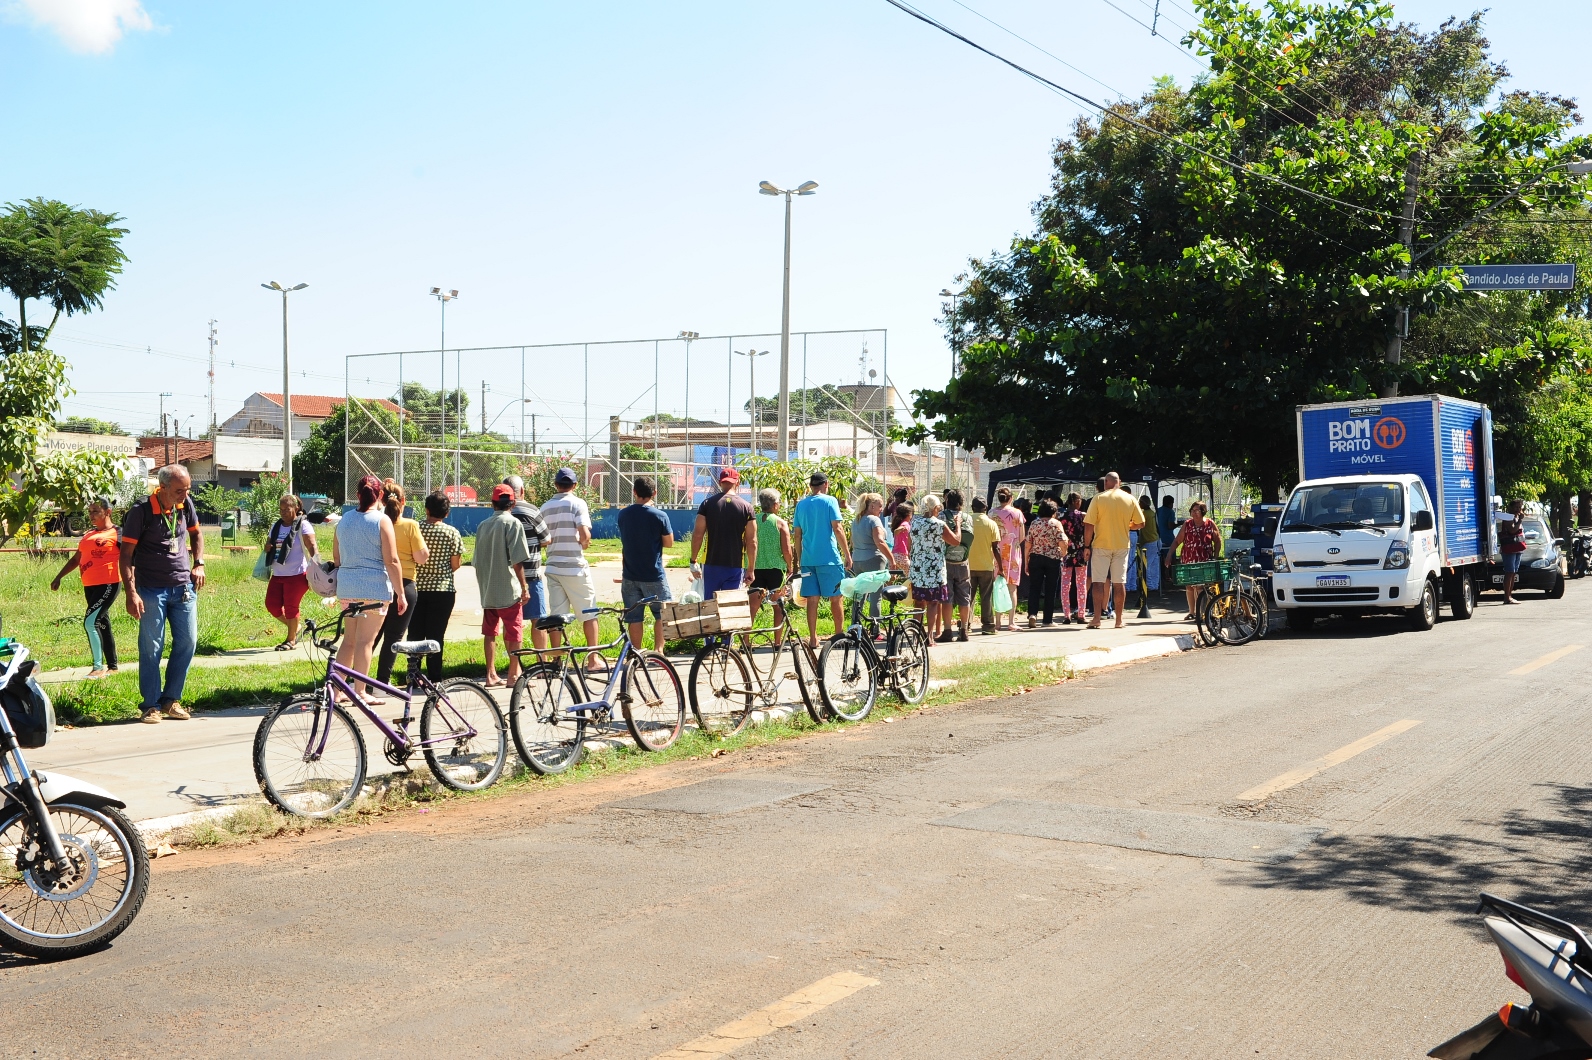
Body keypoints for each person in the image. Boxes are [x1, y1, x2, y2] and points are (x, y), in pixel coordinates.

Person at [120, 465, 205, 723]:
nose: (185, 494)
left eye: (188, 489)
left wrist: (198, 562)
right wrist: (130, 593)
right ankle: (150, 705)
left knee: (188, 641)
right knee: (151, 647)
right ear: (163, 487)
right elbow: (125, 555)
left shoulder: (184, 504)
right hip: (150, 589)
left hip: (182, 587)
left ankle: (171, 700)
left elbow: (196, 533)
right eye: (180, 490)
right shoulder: (141, 511)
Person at [333, 474, 405, 704]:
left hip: (347, 586)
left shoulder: (344, 520)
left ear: (357, 495)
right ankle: (361, 691)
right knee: (366, 642)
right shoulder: (382, 520)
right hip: (374, 588)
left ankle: (337, 690)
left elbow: (337, 558)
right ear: (380, 495)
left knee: (349, 641)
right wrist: (400, 592)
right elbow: (392, 560)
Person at [50, 498, 121, 678]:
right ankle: (112, 666)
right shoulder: (88, 534)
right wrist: (58, 576)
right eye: (89, 512)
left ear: (108, 512)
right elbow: (76, 559)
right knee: (103, 622)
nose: (91, 515)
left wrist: (134, 583)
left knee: (90, 622)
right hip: (89, 585)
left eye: (95, 511)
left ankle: (98, 668)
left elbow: (131, 557)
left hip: (109, 584)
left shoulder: (118, 533)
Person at [371, 480, 429, 694]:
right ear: (403, 502)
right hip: (405, 584)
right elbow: (421, 557)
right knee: (393, 637)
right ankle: (381, 683)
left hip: (379, 583)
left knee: (371, 635)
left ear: (382, 501)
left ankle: (354, 678)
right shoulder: (410, 526)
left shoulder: (376, 522)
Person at [540, 468, 601, 662]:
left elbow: (543, 539)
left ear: (556, 485)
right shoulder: (577, 503)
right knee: (589, 612)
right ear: (574, 485)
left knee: (556, 616)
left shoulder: (545, 507)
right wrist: (585, 541)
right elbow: (584, 534)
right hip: (574, 567)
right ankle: (592, 659)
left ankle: (556, 660)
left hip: (553, 566)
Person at [476, 484, 533, 686]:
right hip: (508, 589)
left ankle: (490, 674)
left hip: (488, 588)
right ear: (513, 503)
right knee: (515, 631)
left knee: (490, 632)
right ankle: (513, 675)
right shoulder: (513, 523)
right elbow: (517, 560)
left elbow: (477, 560)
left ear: (492, 503)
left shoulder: (483, 525)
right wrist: (524, 587)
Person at [407, 490, 463, 683]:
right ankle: (435, 677)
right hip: (443, 590)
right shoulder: (452, 533)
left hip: (417, 588)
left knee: (415, 633)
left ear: (427, 510)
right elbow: (456, 564)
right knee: (436, 635)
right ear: (447, 513)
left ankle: (413, 674)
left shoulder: (416, 528)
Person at [790, 471, 852, 648]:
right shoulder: (830, 500)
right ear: (826, 484)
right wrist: (847, 554)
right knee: (836, 597)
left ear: (810, 486)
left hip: (809, 560)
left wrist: (800, 560)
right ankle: (839, 636)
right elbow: (838, 528)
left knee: (812, 599)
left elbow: (797, 535)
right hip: (830, 559)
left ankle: (813, 638)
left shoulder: (801, 505)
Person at [617, 477, 675, 649]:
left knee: (634, 617)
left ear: (634, 492)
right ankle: (658, 651)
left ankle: (636, 653)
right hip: (653, 574)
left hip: (629, 574)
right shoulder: (660, 516)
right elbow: (669, 542)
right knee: (661, 613)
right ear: (654, 493)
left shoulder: (623, 514)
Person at [1081, 471, 1144, 630]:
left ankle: (1096, 618)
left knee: (1098, 583)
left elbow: (1089, 525)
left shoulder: (1099, 498)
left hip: (1101, 545)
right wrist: (1129, 526)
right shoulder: (1130, 498)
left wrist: (1087, 546)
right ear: (1119, 482)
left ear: (1106, 482)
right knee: (1119, 583)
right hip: (1122, 545)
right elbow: (1141, 523)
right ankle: (1119, 620)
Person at [262, 493, 319, 651]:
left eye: (287, 509)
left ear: (296, 508)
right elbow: (268, 543)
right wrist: (267, 547)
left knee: (291, 607)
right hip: (278, 574)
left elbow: (312, 547)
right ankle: (295, 627)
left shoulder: (303, 525)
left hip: (297, 575)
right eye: (281, 510)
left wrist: (317, 567)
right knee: (272, 605)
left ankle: (291, 640)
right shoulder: (276, 525)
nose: (283, 513)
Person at [690, 466, 757, 599]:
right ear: (737, 482)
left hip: (711, 565)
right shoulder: (747, 507)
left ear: (720, 482)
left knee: (710, 605)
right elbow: (752, 541)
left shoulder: (707, 504)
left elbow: (698, 535)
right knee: (730, 605)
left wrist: (693, 561)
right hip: (735, 565)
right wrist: (750, 569)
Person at [504, 475, 552, 650]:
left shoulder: (502, 514)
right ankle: (542, 663)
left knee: (510, 623)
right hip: (531, 573)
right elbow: (547, 539)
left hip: (508, 576)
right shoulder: (531, 511)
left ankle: (514, 665)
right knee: (538, 620)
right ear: (522, 491)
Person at [907, 494, 961, 641]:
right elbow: (956, 541)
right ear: (935, 508)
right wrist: (958, 525)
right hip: (934, 570)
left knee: (918, 603)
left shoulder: (915, 523)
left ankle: (916, 634)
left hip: (918, 568)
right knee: (933, 603)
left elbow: (910, 543)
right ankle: (930, 636)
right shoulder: (938, 525)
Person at [751, 489, 794, 645]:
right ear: (775, 504)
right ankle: (777, 642)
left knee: (753, 607)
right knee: (778, 605)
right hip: (776, 569)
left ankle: (746, 641)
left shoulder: (753, 521)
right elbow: (787, 549)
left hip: (756, 568)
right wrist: (790, 566)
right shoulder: (780, 523)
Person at [1171, 499, 1222, 621]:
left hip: (1204, 559)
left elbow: (1218, 540)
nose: (1194, 513)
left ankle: (1201, 612)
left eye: (1196, 510)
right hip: (1189, 558)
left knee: (1200, 586)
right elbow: (1178, 540)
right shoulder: (1187, 524)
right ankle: (1192, 612)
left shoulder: (1210, 523)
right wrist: (1169, 555)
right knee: (1189, 586)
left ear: (1203, 511)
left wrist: (1215, 556)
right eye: (1192, 510)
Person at [849, 492, 891, 629]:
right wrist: (891, 558)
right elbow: (879, 541)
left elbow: (852, 542)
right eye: (880, 506)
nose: (881, 509)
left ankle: (855, 626)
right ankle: (875, 629)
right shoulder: (874, 520)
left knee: (859, 596)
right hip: (873, 559)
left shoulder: (856, 520)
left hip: (858, 561)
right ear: (872, 506)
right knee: (875, 597)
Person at [1024, 498, 1068, 627]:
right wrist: (1063, 553)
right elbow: (1063, 541)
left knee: (1034, 587)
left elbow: (1028, 544)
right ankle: (1047, 619)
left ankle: (1032, 614)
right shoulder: (1056, 523)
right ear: (1054, 511)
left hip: (1036, 557)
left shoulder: (1034, 523)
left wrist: (1027, 560)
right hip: (1052, 558)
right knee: (1050, 589)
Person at [967, 497, 1005, 634]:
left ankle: (965, 625)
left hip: (968, 566)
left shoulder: (966, 521)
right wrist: (1000, 567)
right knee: (986, 597)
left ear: (972, 507)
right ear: (986, 508)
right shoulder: (991, 524)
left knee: (968, 597)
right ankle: (988, 626)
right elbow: (996, 548)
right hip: (986, 566)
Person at [941, 489, 973, 642]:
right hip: (963, 562)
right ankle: (964, 630)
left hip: (946, 562)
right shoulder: (967, 518)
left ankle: (947, 630)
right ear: (962, 502)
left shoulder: (942, 516)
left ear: (947, 501)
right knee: (964, 597)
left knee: (946, 598)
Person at [991, 487, 1025, 629]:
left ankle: (997, 621)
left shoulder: (991, 513)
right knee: (1012, 589)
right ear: (1011, 498)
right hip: (1012, 552)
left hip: (996, 553)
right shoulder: (1017, 513)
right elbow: (1022, 536)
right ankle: (1011, 621)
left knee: (997, 587)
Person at [1058, 492, 1088, 623]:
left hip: (1065, 552)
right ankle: (1081, 614)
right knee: (1081, 584)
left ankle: (1066, 615)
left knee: (1065, 584)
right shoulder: (1083, 516)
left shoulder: (1060, 516)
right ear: (1076, 501)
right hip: (1080, 552)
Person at [1498, 498, 1527, 604]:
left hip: (1518, 548)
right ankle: (1507, 597)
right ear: (1511, 507)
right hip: (1509, 548)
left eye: (1519, 507)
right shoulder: (1508, 517)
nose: (1518, 509)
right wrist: (1520, 520)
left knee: (1513, 572)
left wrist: (1519, 519)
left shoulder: (1517, 517)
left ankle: (1510, 596)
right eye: (1516, 507)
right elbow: (1512, 530)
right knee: (1509, 572)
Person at [1136, 493, 1162, 597]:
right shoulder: (1152, 513)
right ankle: (1154, 585)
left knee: (1148, 565)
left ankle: (1150, 585)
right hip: (1155, 540)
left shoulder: (1144, 514)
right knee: (1154, 564)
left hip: (1149, 542)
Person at [889, 502, 912, 569]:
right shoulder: (905, 524)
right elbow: (899, 530)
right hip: (902, 555)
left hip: (894, 554)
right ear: (909, 514)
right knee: (912, 574)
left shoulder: (900, 523)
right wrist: (899, 530)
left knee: (892, 576)